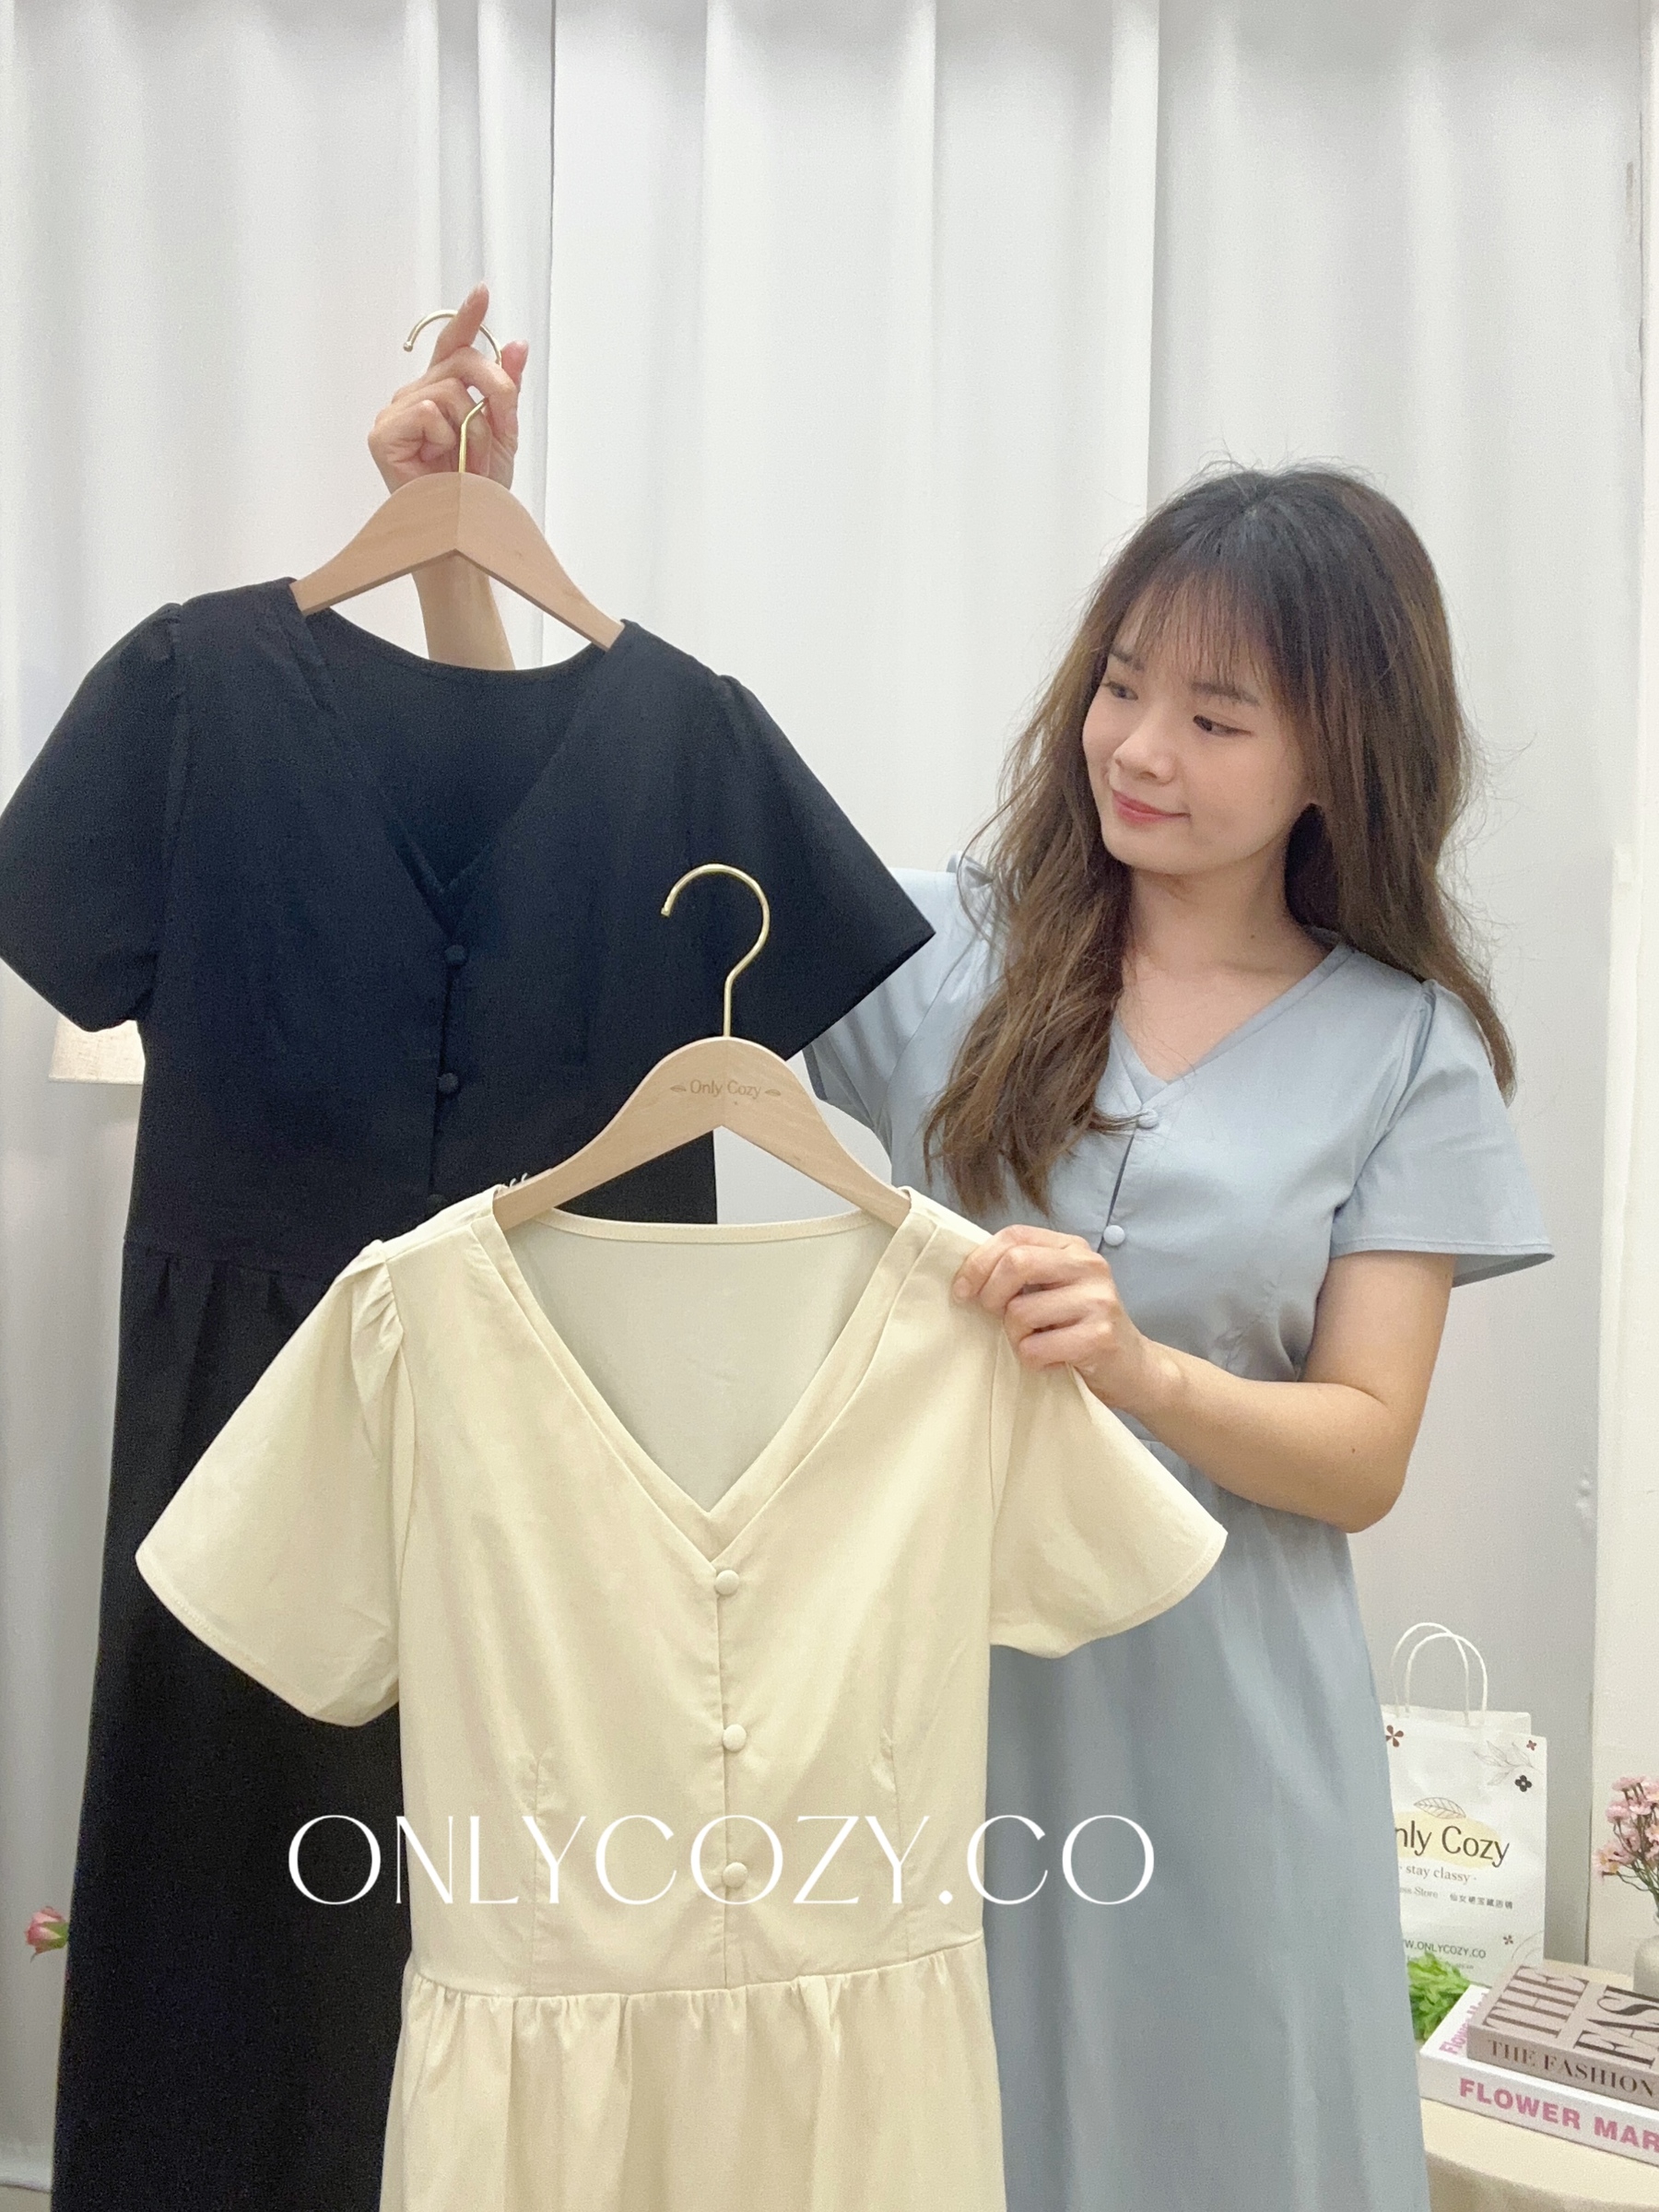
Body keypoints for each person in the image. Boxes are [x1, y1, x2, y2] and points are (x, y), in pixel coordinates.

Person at [380, 303, 1551, 2211]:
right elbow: (571, 849)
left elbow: (1364, 1450)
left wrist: (1143, 1367)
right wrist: (463, 551)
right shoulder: (953, 954)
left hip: (1227, 1729)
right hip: (925, 1695)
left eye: (1217, 718)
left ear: (1344, 755)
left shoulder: (1403, 1048)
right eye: (1123, 685)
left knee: (1226, 2142)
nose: (1140, 748)